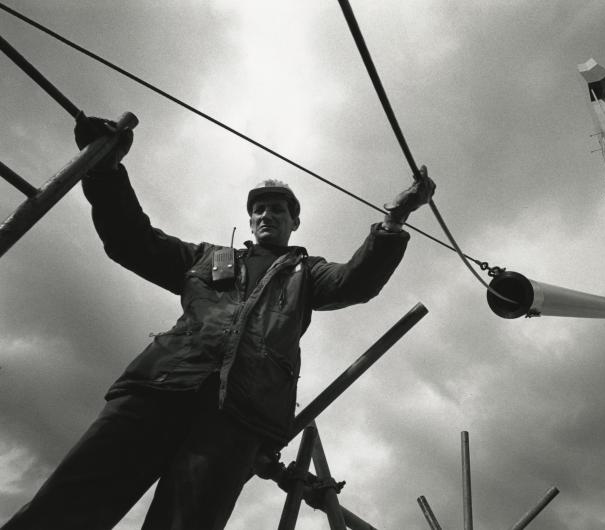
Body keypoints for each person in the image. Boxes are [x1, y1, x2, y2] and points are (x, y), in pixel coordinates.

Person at [2, 117, 435, 530]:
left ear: (294, 221)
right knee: (69, 500)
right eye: (259, 210)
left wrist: (393, 221)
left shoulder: (307, 274)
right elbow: (132, 240)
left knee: (186, 524)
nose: (267, 215)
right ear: (250, 220)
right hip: (161, 387)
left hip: (238, 417)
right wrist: (106, 170)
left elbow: (356, 282)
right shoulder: (207, 259)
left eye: (278, 210)